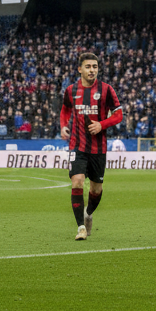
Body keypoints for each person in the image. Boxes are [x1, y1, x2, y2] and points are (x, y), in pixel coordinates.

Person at [59, 52, 123, 241]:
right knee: (77, 181)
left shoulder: (106, 90)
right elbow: (65, 110)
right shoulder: (71, 90)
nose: (92, 70)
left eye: (95, 66)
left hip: (98, 149)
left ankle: (88, 214)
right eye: (88, 66)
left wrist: (101, 125)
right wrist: (63, 125)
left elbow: (118, 115)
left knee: (96, 190)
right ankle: (81, 228)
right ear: (80, 69)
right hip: (77, 146)